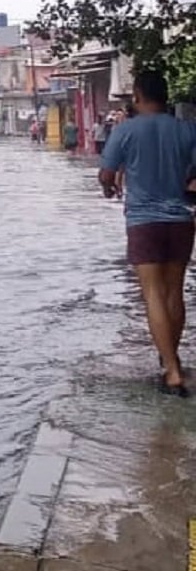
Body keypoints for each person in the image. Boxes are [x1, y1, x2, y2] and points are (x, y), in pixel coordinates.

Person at [99, 71, 196, 397]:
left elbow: (106, 173)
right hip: (181, 219)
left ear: (138, 95)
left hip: (143, 222)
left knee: (152, 294)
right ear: (166, 95)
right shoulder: (187, 130)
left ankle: (171, 370)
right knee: (174, 293)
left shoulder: (125, 130)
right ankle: (171, 355)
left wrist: (109, 188)